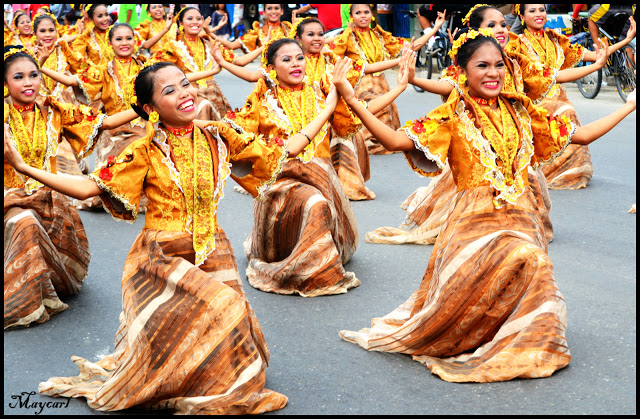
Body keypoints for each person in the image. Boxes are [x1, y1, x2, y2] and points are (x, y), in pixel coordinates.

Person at [5, 61, 315, 413]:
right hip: (161, 257)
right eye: (170, 91)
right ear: (151, 110)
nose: (185, 93)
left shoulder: (220, 134)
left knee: (236, 334)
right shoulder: (144, 151)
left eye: (185, 84)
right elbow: (90, 187)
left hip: (212, 249)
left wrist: (335, 102)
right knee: (224, 308)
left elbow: (278, 154)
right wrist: (24, 167)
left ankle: (192, 375)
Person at [333, 28, 636, 383]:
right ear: (462, 72)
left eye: (498, 65)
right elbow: (396, 140)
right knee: (531, 262)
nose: (493, 73)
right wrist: (351, 100)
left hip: (523, 217)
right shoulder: (451, 116)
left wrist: (629, 106)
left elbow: (579, 135)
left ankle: (530, 342)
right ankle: (520, 342)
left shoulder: (522, 111)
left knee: (529, 265)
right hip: (474, 222)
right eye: (482, 66)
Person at [365, 4, 610, 246]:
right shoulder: (463, 93)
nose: (501, 29)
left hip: (514, 132)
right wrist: (410, 80)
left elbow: (553, 76)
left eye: (503, 24)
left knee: (530, 188)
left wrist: (598, 65)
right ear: (476, 33)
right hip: (478, 146)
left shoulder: (517, 62)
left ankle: (522, 235)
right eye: (491, 25)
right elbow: (447, 86)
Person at [221, 37, 374, 296]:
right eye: (286, 59)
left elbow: (354, 121)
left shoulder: (322, 92)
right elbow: (238, 142)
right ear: (271, 68)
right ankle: (315, 270)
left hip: (322, 177)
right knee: (315, 203)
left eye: (299, 58)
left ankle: (316, 254)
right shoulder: (260, 101)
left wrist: (346, 90)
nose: (296, 64)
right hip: (282, 185)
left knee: (319, 202)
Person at [3, 46, 133, 329]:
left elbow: (104, 123)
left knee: (65, 276)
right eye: (19, 77)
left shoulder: (54, 109)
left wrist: (142, 108)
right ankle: (22, 301)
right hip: (9, 199)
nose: (28, 83)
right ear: (5, 83)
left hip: (49, 197)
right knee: (25, 223)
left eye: (33, 75)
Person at [507, 4, 636, 189]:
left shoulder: (556, 40)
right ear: (522, 16)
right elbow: (552, 77)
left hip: (558, 99)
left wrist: (626, 40)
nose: (538, 14)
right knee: (566, 111)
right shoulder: (515, 45)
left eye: (542, 10)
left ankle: (569, 170)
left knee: (567, 112)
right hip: (532, 103)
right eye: (532, 11)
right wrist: (597, 65)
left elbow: (595, 55)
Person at [157, 7, 262, 120]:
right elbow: (160, 74)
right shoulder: (172, 48)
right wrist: (211, 71)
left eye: (198, 18)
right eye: (190, 18)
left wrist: (264, 46)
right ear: (180, 23)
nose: (194, 22)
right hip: (189, 97)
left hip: (214, 96)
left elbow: (241, 61)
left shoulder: (210, 44)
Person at [215, 4, 291, 53]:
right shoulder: (258, 32)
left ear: (282, 11)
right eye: (270, 8)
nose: (273, 11)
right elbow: (232, 45)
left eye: (276, 8)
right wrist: (210, 32)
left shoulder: (290, 29)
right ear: (264, 12)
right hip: (266, 74)